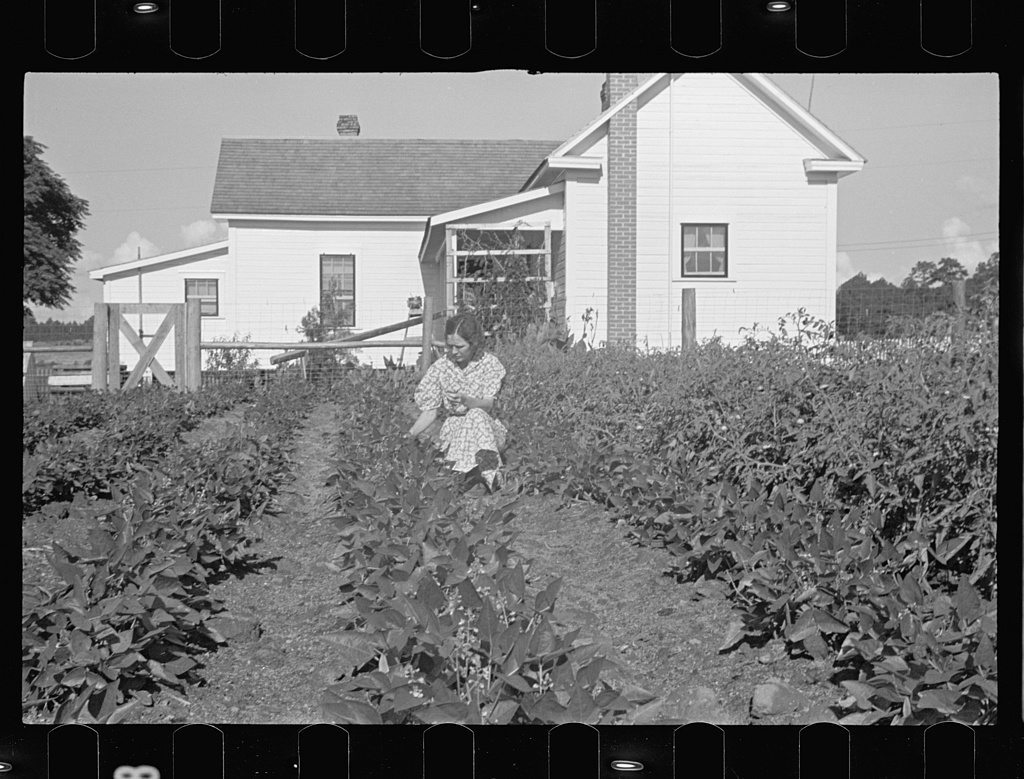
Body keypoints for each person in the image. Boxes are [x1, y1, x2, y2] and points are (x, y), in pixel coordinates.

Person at [407, 313, 506, 490]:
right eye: (450, 346)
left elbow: (489, 405)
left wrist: (468, 401)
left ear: (473, 343)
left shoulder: (490, 364)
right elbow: (430, 411)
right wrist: (409, 435)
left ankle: (484, 477)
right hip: (455, 432)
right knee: (464, 423)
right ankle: (472, 478)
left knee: (476, 415)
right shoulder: (442, 367)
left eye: (459, 347)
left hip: (487, 431)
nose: (454, 352)